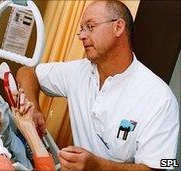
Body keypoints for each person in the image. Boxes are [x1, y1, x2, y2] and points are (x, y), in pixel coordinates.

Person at [16, 0, 179, 170]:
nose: (81, 36)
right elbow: (27, 73)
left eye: (90, 27)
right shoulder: (78, 72)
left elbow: (162, 166)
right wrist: (33, 108)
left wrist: (98, 166)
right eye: (81, 29)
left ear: (118, 27)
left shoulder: (160, 99)